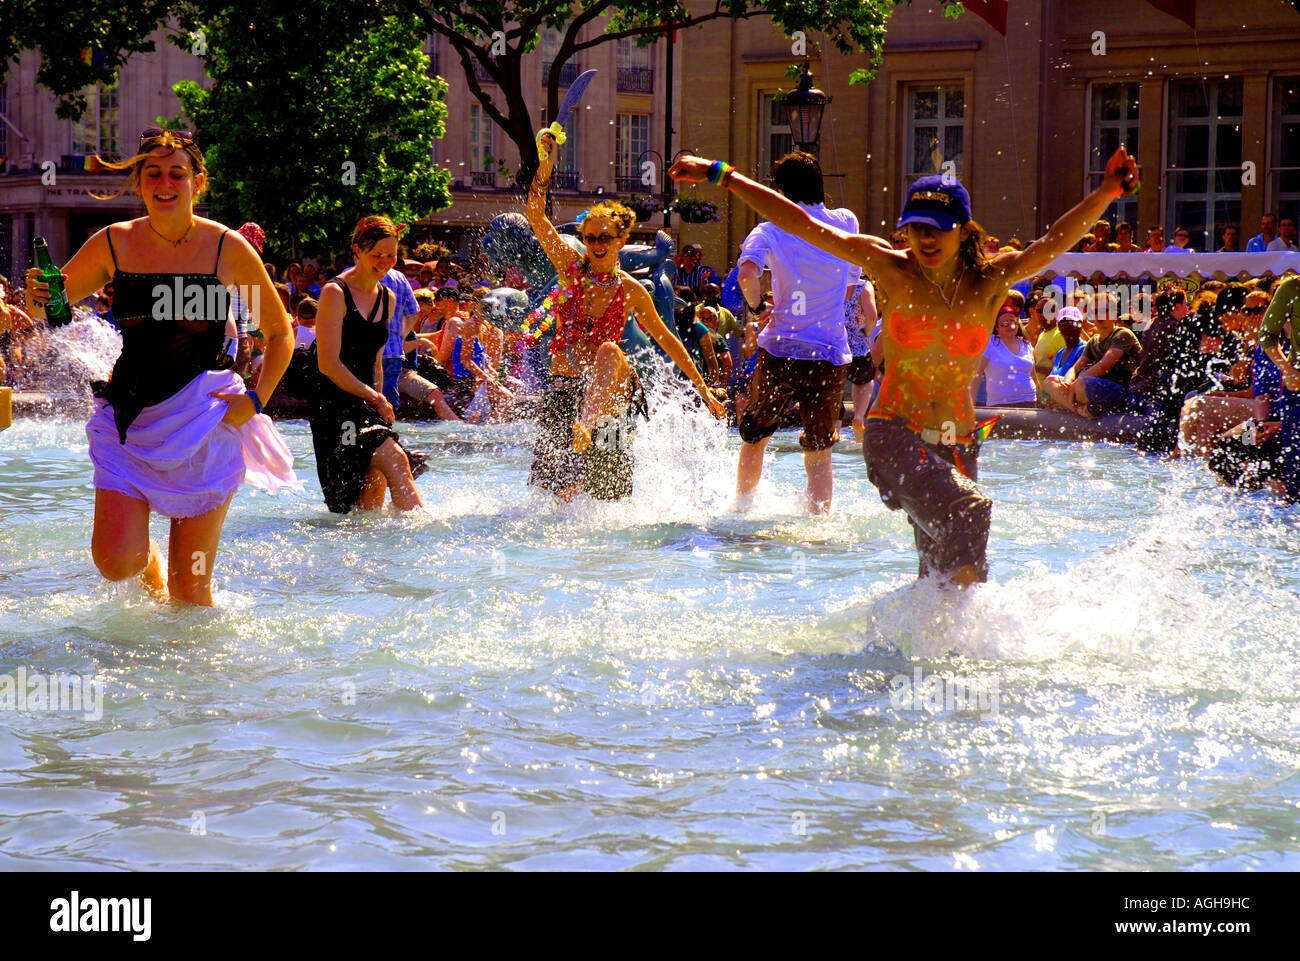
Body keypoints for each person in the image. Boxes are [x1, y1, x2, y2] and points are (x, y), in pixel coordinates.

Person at [670, 145, 1140, 583]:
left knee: (946, 567)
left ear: (963, 227)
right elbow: (800, 223)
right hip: (894, 431)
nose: (924, 238)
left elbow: (1054, 242)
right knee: (970, 512)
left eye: (936, 228)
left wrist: (1105, 194)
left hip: (956, 440)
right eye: (916, 227)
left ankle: (926, 649)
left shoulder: (992, 278)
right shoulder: (893, 267)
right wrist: (720, 174)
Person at [22, 128, 298, 606]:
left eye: (177, 173)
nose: (165, 182)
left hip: (205, 419)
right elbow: (56, 310)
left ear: (198, 182)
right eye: (153, 173)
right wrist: (38, 298)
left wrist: (254, 401)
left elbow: (279, 334)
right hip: (129, 418)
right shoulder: (114, 243)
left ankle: (192, 677)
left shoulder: (226, 249)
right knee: (115, 561)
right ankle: (149, 567)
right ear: (139, 182)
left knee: (191, 591)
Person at [526, 130, 723, 501]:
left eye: (605, 238)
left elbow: (668, 339)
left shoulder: (631, 290)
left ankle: (587, 427)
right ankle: (581, 432)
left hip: (611, 403)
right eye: (591, 238)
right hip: (564, 390)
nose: (597, 245)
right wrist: (545, 167)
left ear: (619, 241)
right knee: (556, 502)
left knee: (609, 354)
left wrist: (703, 389)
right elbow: (535, 215)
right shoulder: (570, 268)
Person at [707, 150, 860, 513]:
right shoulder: (846, 221)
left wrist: (760, 308)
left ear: (779, 193)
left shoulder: (769, 230)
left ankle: (742, 510)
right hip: (829, 353)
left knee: (755, 437)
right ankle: (819, 523)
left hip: (780, 352)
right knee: (820, 450)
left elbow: (746, 275)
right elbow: (849, 286)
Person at [309, 216, 425, 514]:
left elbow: (376, 360)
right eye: (377, 255)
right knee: (392, 462)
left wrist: (379, 401)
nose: (385, 262)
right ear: (357, 250)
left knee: (370, 494)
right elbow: (328, 364)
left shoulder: (388, 297)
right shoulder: (335, 293)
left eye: (391, 255)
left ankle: (375, 556)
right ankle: (423, 534)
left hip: (366, 404)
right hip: (333, 407)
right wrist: (374, 397)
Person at [1043, 297, 1142, 419]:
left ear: (1113, 313)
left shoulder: (1122, 334)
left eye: (1103, 310)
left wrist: (1075, 384)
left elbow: (1104, 365)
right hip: (1093, 390)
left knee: (1082, 383)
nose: (1098, 315)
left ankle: (1072, 405)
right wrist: (1067, 382)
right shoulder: (1093, 341)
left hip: (1123, 393)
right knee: (1050, 381)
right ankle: (1078, 410)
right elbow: (1075, 368)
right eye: (1094, 312)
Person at [1259, 276, 1300, 501]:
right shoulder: (1293, 287)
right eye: (1247, 311)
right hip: (1262, 420)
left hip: (1268, 419)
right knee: (1234, 443)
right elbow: (1259, 396)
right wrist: (1289, 371)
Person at [974, 307, 1037, 408]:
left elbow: (1034, 377)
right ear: (996, 327)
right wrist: (971, 405)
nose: (1009, 327)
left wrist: (1039, 402)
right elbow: (977, 375)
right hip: (999, 404)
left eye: (1013, 323)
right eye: (1004, 324)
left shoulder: (1026, 344)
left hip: (1029, 401)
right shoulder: (989, 343)